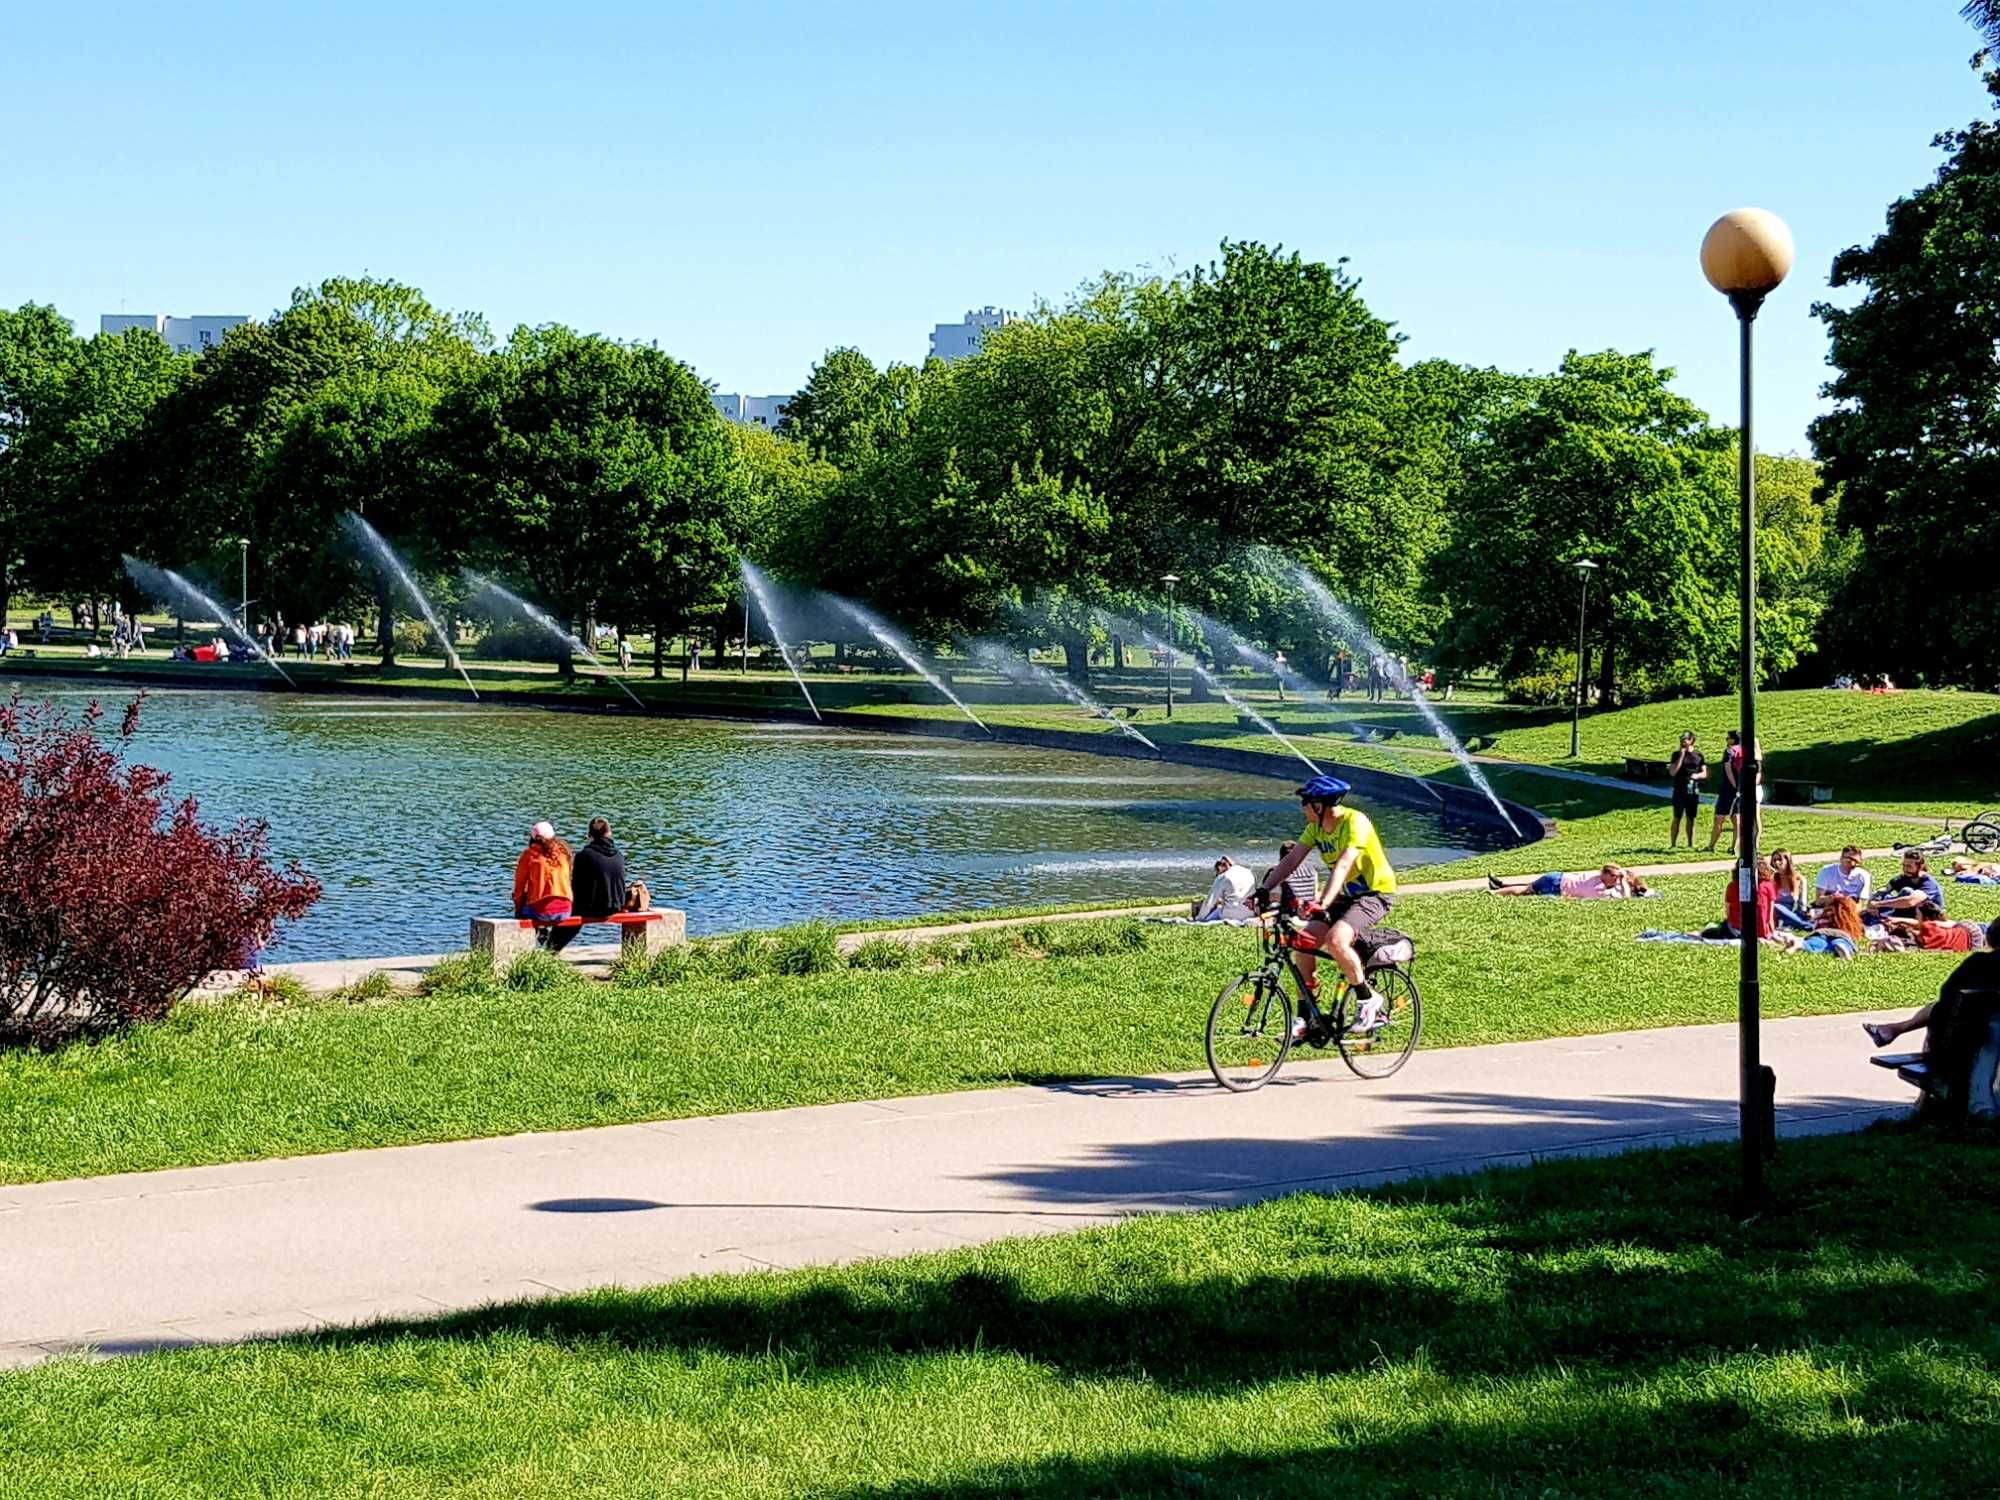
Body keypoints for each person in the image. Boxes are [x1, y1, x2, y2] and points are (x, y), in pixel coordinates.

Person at [1256, 775, 1397, 1032]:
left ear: (1319, 806)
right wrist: (1264, 889)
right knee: (1303, 941)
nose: (1302, 808)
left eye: (1305, 803)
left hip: (1375, 893)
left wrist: (1322, 902)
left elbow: (1344, 865)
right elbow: (1292, 860)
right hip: (1346, 896)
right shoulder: (1316, 829)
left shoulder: (1355, 822)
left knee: (1336, 940)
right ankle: (1306, 1016)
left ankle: (1368, 999)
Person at [1861, 917, 2000, 1049]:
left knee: (1940, 1005)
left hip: (1952, 1048)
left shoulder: (1977, 963)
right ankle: (1893, 1029)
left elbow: (1947, 996)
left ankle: (1893, 1029)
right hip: (1984, 1051)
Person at [512, 820, 574, 935]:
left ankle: (540, 934)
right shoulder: (564, 853)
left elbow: (518, 889)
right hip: (566, 910)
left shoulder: (529, 855)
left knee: (523, 908)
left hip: (542, 912)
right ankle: (546, 937)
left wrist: (517, 909)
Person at [1486, 864, 1642, 899]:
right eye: (1614, 878)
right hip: (1556, 884)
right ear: (1607, 875)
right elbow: (1625, 897)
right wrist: (1622, 879)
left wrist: (1622, 877)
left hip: (1557, 878)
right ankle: (1494, 892)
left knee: (1528, 888)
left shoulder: (1600, 881)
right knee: (1527, 891)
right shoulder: (1599, 886)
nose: (1616, 881)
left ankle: (1499, 887)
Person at [1869, 851, 1945, 923]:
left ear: (1920, 867)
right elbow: (1885, 889)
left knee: (1907, 891)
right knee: (1885, 896)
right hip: (1907, 913)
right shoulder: (1903, 878)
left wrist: (1879, 904)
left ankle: (1889, 919)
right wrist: (1874, 902)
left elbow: (1911, 901)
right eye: (1904, 865)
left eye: (1909, 866)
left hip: (1926, 918)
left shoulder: (1928, 882)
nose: (1905, 869)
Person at [1668, 731, 1707, 848]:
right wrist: (1681, 755)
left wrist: (1698, 776)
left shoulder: (1698, 755)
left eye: (1685, 739)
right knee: (1677, 817)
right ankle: (1673, 843)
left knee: (1691, 818)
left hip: (1692, 790)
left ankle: (1690, 843)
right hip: (1679, 789)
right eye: (1681, 739)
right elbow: (1672, 772)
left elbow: (1705, 772)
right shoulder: (1676, 754)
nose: (1683, 741)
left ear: (1691, 740)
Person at [1723, 856, 1777, 940]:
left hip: (1736, 929)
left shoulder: (1732, 886)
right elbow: (1769, 916)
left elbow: (1728, 912)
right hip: (1761, 931)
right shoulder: (1768, 886)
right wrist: (1771, 932)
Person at [1706, 730, 1742, 854]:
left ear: (1733, 740)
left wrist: (1734, 785)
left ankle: (1711, 846)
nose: (1726, 740)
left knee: (1719, 818)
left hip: (1728, 789)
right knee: (1736, 819)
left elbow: (1728, 770)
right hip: (1742, 789)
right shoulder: (1746, 751)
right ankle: (1734, 847)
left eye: (1728, 738)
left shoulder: (1730, 751)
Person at [1192, 856, 1257, 923]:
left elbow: (1209, 903)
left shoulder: (1223, 876)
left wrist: (1199, 918)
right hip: (1250, 914)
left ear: (1222, 867)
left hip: (1231, 916)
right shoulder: (1249, 872)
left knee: (1217, 910)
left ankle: (1199, 920)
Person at [1768, 848, 1816, 932]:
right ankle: (1806, 925)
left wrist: (1803, 913)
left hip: (1792, 912)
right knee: (1776, 906)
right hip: (1774, 912)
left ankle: (1793, 923)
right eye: (1774, 860)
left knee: (1796, 915)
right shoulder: (1771, 879)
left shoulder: (1799, 880)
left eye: (1780, 860)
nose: (1776, 863)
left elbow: (1802, 904)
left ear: (1787, 860)